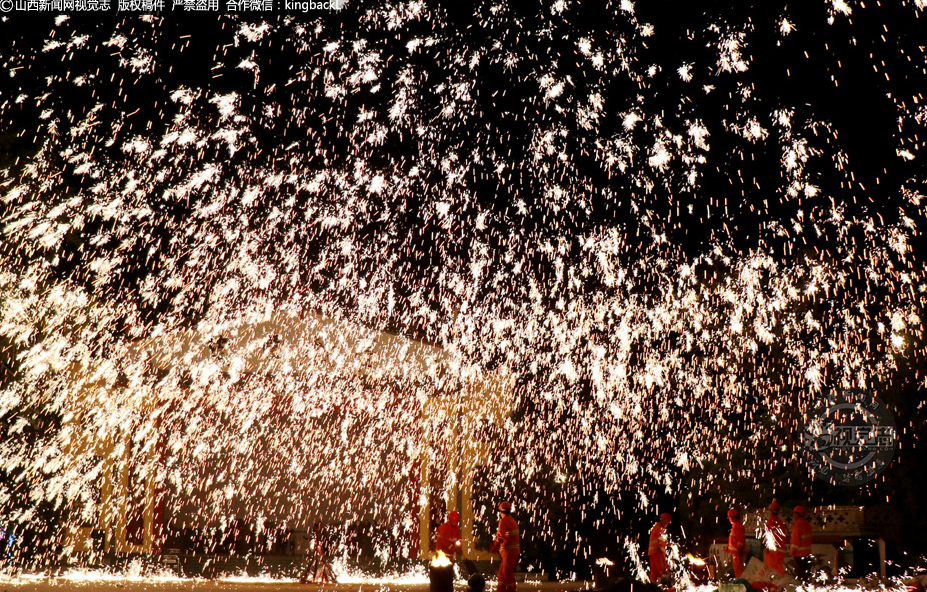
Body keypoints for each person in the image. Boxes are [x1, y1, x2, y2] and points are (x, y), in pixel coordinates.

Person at [490, 501, 520, 592]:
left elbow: (501, 537)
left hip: (508, 552)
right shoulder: (512, 520)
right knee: (502, 576)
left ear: (501, 511)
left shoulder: (503, 521)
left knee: (507, 575)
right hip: (512, 552)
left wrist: (495, 544)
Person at [764, 501, 788, 574]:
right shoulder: (781, 523)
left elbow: (769, 536)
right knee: (779, 570)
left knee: (770, 571)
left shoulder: (770, 522)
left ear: (771, 511)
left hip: (772, 551)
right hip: (780, 550)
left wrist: (767, 547)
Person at [790, 506, 813, 581]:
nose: (793, 516)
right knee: (806, 574)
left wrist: (792, 550)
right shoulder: (807, 524)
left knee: (800, 574)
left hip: (799, 554)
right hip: (807, 553)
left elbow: (796, 539)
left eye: (794, 514)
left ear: (797, 515)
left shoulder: (797, 524)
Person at [648, 512, 672, 583]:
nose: (667, 524)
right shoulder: (660, 528)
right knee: (663, 572)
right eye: (667, 522)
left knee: (654, 573)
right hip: (658, 553)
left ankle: (652, 587)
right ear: (664, 520)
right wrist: (668, 544)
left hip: (652, 553)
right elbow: (661, 542)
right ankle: (666, 587)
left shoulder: (656, 527)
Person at [727, 508, 746, 578]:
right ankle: (739, 582)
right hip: (736, 552)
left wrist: (740, 549)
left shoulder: (738, 526)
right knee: (737, 569)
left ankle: (739, 583)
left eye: (730, 518)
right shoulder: (736, 525)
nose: (729, 520)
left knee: (738, 570)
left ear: (734, 517)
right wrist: (728, 546)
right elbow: (734, 539)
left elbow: (740, 539)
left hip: (737, 553)